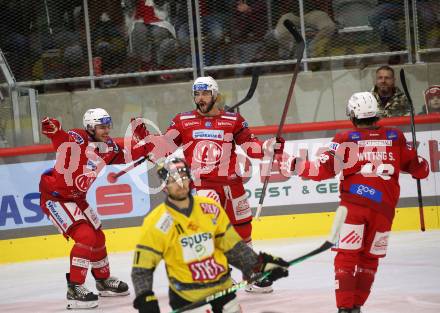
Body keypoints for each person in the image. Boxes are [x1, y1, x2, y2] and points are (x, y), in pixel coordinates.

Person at [281, 92, 429, 313]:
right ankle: (357, 305)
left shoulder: (344, 138)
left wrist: (291, 163)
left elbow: (322, 170)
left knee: (346, 258)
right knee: (370, 260)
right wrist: (418, 160)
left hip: (354, 207)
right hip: (384, 212)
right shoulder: (396, 137)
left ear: (352, 114)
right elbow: (421, 171)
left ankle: (345, 308)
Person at [155, 76, 284, 293]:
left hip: (232, 185)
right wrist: (152, 146)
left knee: (244, 229)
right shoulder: (182, 120)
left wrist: (269, 147)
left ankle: (251, 272)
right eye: (197, 94)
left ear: (215, 95)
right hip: (203, 185)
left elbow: (251, 147)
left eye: (205, 93)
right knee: (210, 230)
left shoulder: (234, 121)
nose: (200, 98)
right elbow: (166, 145)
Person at [131, 157, 289, 313]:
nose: (180, 184)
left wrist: (259, 265)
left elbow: (233, 248)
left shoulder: (210, 208)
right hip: (188, 298)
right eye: (173, 180)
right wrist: (146, 299)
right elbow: (142, 267)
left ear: (190, 179)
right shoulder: (156, 221)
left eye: (183, 178)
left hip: (224, 292)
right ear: (164, 185)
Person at [39, 109, 151, 309]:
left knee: (98, 237)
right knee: (85, 237)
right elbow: (64, 140)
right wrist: (55, 131)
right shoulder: (79, 138)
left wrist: (147, 144)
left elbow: (128, 154)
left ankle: (102, 280)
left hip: (77, 198)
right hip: (56, 198)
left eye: (108, 125)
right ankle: (74, 287)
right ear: (90, 127)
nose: (107, 130)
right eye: (101, 126)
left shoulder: (106, 147)